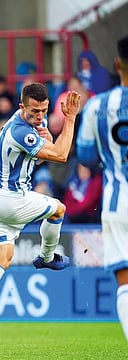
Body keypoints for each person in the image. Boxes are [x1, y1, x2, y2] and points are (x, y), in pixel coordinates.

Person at [0, 83, 81, 357]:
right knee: (59, 209)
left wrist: (46, 139)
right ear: (22, 107)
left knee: (1, 258)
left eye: (43, 110)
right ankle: (46, 255)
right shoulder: (21, 131)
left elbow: (38, 158)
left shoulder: (22, 127)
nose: (39, 115)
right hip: (9, 200)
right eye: (34, 110)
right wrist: (70, 118)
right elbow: (62, 155)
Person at [76, 35, 128, 343]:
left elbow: (85, 156)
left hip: (118, 203)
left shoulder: (97, 106)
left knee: (125, 283)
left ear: (117, 64)